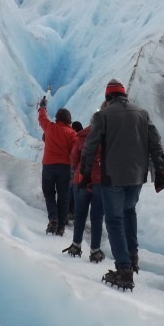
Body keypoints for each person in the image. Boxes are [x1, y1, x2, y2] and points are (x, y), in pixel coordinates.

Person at [80, 79, 164, 291]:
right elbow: (155, 144)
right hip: (137, 176)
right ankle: (132, 256)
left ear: (108, 98)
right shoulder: (142, 114)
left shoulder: (102, 116)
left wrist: (85, 173)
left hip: (113, 176)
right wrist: (160, 172)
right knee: (129, 212)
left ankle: (124, 270)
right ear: (124, 95)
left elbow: (90, 146)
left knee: (114, 220)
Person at [62, 103, 107, 263]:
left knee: (80, 214)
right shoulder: (110, 135)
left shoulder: (83, 135)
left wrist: (76, 173)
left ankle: (76, 245)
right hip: (100, 182)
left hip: (81, 180)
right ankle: (95, 250)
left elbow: (74, 157)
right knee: (96, 217)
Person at [38, 96, 77, 236]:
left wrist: (42, 107)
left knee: (49, 193)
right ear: (69, 120)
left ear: (57, 119)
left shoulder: (50, 128)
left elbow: (42, 119)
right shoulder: (72, 134)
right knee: (64, 196)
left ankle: (53, 218)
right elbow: (76, 152)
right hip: (65, 168)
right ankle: (61, 226)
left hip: (48, 166)